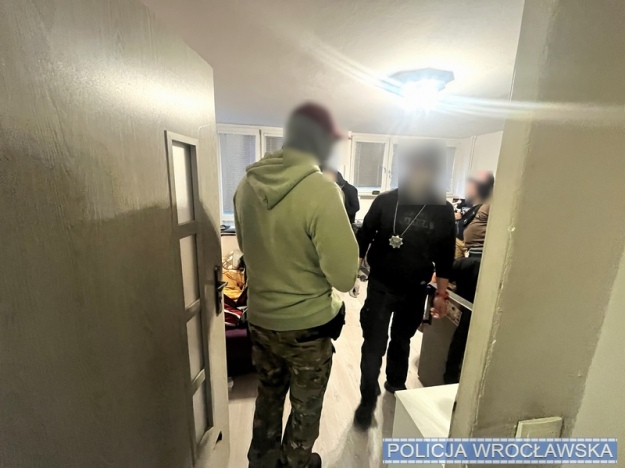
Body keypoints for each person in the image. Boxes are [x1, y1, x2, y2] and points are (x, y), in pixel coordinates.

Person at [234, 103, 359, 468]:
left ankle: (261, 461)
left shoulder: (245, 186)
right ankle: (295, 464)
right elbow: (343, 277)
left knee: (268, 394)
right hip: (306, 326)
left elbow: (245, 248)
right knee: (306, 406)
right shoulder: (322, 190)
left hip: (260, 318)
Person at [353, 143, 456, 430]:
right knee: (374, 343)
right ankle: (367, 399)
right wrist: (353, 272)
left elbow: (445, 256)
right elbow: (363, 237)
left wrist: (441, 294)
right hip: (381, 285)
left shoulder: (443, 210)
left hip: (416, 288)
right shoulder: (386, 201)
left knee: (402, 339)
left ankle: (396, 385)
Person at [444, 170, 494, 384]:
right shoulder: (477, 206)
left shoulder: (492, 204)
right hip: (469, 256)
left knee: (466, 323)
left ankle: (452, 376)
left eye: (472, 184)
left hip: (477, 261)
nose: (468, 187)